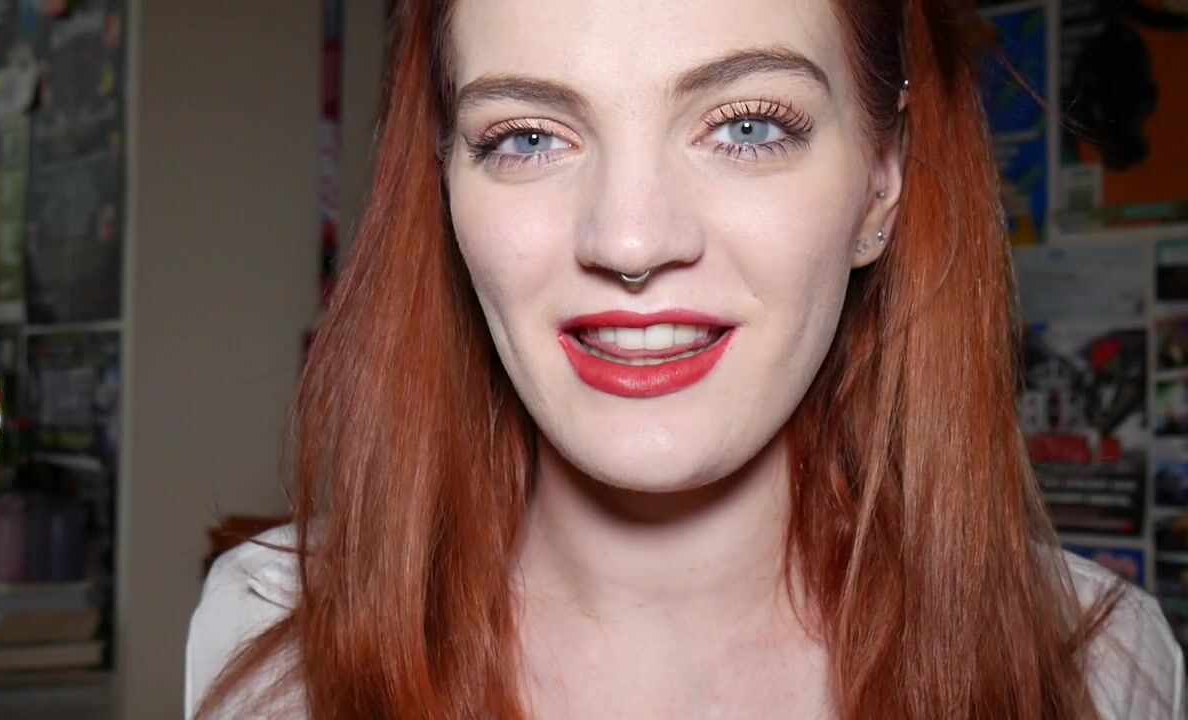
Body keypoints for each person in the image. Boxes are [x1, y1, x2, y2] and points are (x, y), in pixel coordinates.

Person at [185, 0, 1185, 717]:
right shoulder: (270, 643)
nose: (629, 239)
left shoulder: (1102, 668)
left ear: (880, 184)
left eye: (747, 127)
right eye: (526, 138)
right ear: (445, 184)